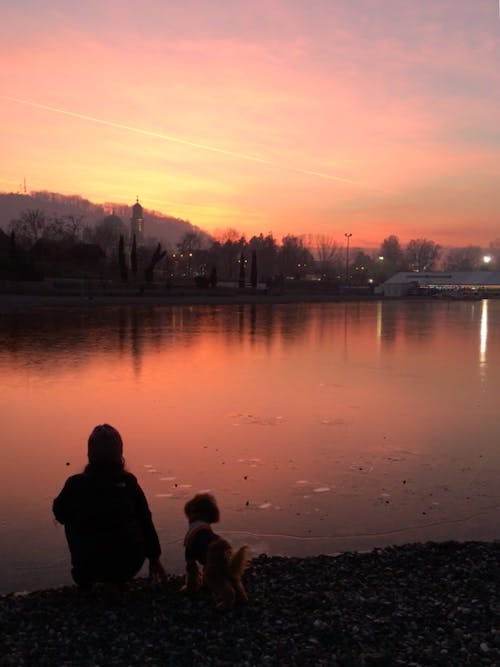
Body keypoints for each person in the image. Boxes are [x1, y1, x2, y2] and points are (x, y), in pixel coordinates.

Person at [53, 424, 166, 592]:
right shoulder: (129, 482)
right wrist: (154, 558)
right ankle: (117, 581)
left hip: (88, 567)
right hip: (129, 567)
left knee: (69, 517)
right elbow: (145, 520)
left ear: (90, 453)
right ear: (120, 453)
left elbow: (60, 514)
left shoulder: (75, 484)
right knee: (137, 518)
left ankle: (86, 580)